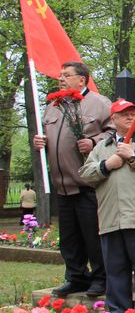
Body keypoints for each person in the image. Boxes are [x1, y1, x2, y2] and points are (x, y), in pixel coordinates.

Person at [80, 99, 135, 313]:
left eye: (133, 113)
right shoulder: (101, 148)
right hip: (110, 218)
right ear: (113, 119)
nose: (130, 117)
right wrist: (107, 165)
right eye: (124, 114)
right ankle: (118, 311)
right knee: (115, 270)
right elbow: (86, 175)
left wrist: (134, 156)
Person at [33, 61, 113, 297]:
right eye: (60, 75)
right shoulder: (54, 106)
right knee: (69, 239)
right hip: (62, 184)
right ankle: (76, 277)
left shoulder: (99, 103)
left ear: (82, 79)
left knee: (92, 235)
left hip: (87, 184)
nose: (61, 78)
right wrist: (41, 143)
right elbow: (54, 140)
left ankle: (101, 278)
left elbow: (114, 132)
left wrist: (94, 142)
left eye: (66, 75)